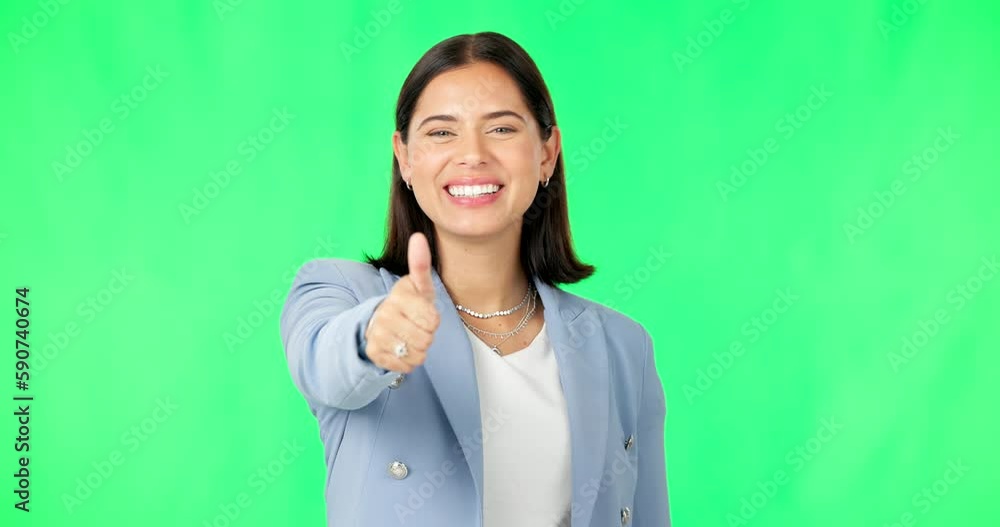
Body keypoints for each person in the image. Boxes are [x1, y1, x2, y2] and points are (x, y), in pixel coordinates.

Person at [280, 31, 670, 527]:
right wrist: (374, 338)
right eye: (442, 132)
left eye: (502, 129)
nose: (472, 155)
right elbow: (323, 363)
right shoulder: (342, 292)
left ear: (547, 152)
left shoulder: (622, 345)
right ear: (404, 157)